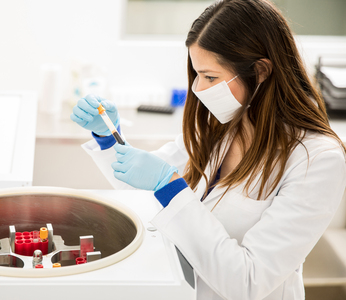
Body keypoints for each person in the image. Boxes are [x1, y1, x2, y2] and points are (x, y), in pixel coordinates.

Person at [70, 0, 346, 298]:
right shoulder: (225, 124)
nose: (198, 89)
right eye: (197, 74)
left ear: (261, 70)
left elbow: (249, 281)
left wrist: (171, 187)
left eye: (211, 77)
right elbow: (140, 181)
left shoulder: (317, 160)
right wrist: (109, 139)